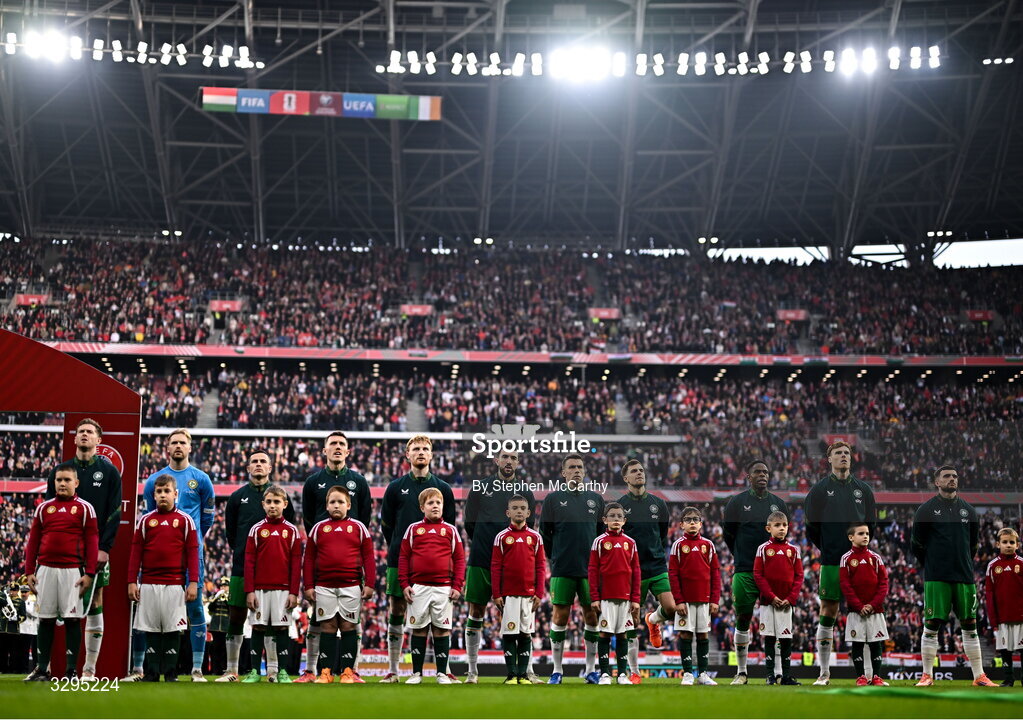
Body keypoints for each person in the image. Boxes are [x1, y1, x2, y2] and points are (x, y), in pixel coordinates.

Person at [128, 429, 214, 683]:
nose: (178, 446)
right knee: (147, 610)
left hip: (190, 555)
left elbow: (207, 517)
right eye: (174, 442)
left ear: (190, 447)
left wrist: (193, 539)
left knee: (195, 608)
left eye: (182, 442)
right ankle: (139, 668)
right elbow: (147, 516)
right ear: (167, 448)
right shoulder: (154, 480)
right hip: (157, 559)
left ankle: (197, 669)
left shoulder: (201, 479)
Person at [45, 419, 122, 682]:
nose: (85, 435)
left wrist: (105, 547)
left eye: (90, 432)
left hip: (95, 549)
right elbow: (48, 510)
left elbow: (115, 511)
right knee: (56, 605)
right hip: (63, 550)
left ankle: (89, 669)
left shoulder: (109, 471)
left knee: (95, 600)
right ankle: (48, 666)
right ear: (75, 439)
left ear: (99, 440)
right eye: (81, 432)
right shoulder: (61, 470)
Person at [911, 464, 996, 687]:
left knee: (970, 623)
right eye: (947, 476)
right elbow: (916, 544)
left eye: (955, 476)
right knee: (932, 624)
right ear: (937, 482)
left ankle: (979, 676)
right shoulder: (926, 510)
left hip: (964, 576)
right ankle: (926, 675)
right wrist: (932, 563)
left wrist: (963, 562)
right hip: (937, 576)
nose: (952, 479)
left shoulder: (969, 511)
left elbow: (974, 545)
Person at [379, 435, 456, 683]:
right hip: (399, 559)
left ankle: (443, 669)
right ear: (407, 454)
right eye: (416, 449)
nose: (421, 452)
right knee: (397, 609)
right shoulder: (394, 487)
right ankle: (393, 669)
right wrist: (404, 550)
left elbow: (449, 527)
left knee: (437, 616)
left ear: (432, 455)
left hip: (434, 567)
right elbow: (387, 526)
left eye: (425, 449)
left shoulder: (443, 489)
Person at [215, 450, 297, 682]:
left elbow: (287, 529)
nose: (259, 465)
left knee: (272, 621)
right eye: (254, 462)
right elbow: (232, 534)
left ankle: (272, 671)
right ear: (248, 468)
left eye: (263, 462)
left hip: (274, 572)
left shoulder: (281, 497)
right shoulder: (236, 497)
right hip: (244, 567)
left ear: (270, 468)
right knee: (237, 616)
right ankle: (232, 670)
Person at [296, 431, 371, 683]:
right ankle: (313, 670)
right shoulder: (313, 482)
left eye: (342, 444)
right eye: (333, 444)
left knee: (350, 623)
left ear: (348, 451)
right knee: (320, 621)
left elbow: (366, 518)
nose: (337, 448)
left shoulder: (358, 482)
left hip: (349, 569)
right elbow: (308, 518)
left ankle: (351, 670)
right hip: (323, 567)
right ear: (324, 451)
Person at [803, 441, 875, 685]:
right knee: (828, 612)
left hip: (860, 562)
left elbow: (871, 525)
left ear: (851, 458)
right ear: (829, 459)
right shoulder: (819, 490)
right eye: (838, 453)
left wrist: (859, 550)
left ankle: (868, 674)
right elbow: (811, 527)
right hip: (832, 560)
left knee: (864, 612)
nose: (843, 456)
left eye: (847, 453)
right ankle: (824, 673)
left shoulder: (863, 490)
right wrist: (829, 547)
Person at [463, 449, 538, 684]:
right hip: (482, 558)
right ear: (496, 460)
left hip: (513, 565)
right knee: (476, 611)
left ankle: (527, 671)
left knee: (521, 618)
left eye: (514, 458)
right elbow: (469, 524)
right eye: (505, 457)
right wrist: (488, 542)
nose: (509, 461)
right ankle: (472, 671)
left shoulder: (525, 491)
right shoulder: (480, 487)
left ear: (518, 462)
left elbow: (529, 526)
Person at [23, 462, 99, 682]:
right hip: (45, 570)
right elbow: (33, 541)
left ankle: (70, 671)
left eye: (67, 480)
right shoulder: (44, 508)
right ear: (54, 482)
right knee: (45, 619)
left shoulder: (85, 508)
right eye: (59, 480)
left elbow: (92, 542)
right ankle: (42, 668)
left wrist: (90, 573)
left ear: (76, 483)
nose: (63, 483)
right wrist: (29, 571)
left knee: (72, 620)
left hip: (72, 571)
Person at [126, 474, 199, 682]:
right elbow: (135, 553)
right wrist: (132, 580)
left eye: (167, 491)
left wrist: (193, 581)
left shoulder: (185, 521)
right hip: (148, 584)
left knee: (172, 629)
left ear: (175, 494)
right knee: (150, 629)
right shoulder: (145, 521)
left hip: (175, 584)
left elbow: (193, 552)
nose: (163, 495)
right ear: (154, 495)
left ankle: (170, 672)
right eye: (159, 492)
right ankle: (150, 672)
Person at [722, 459, 788, 684]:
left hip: (774, 573)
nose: (763, 475)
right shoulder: (737, 503)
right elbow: (728, 535)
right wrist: (741, 556)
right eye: (757, 472)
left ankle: (777, 672)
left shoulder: (779, 504)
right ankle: (741, 672)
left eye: (766, 472)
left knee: (777, 621)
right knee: (743, 618)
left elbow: (783, 536)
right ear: (748, 477)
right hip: (746, 569)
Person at [541, 454, 604, 684]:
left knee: (591, 616)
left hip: (590, 569)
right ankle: (557, 670)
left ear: (584, 472)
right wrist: (554, 558)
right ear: (563, 472)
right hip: (563, 568)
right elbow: (545, 534)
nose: (576, 470)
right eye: (572, 467)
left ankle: (590, 670)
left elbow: (600, 536)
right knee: (560, 616)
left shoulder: (595, 499)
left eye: (580, 467)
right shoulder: (552, 499)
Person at [303, 485, 375, 684]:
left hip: (351, 585)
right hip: (323, 586)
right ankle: (325, 672)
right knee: (327, 626)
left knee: (348, 625)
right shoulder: (318, 528)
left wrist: (369, 583)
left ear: (349, 505)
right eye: (332, 502)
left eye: (340, 502)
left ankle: (347, 672)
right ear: (326, 506)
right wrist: (308, 585)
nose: (336, 505)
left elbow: (368, 557)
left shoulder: (359, 528)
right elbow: (308, 559)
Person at [398, 488, 465, 685]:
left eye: (438, 503)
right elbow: (403, 557)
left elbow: (459, 559)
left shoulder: (451, 530)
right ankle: (416, 673)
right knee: (418, 629)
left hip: (444, 588)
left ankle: (442, 673)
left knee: (441, 630)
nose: (435, 506)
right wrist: (404, 584)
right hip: (418, 587)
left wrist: (457, 585)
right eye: (430, 503)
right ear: (422, 507)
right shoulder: (413, 529)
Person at [617, 459, 674, 684]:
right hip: (633, 570)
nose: (639, 474)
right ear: (626, 478)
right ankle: (634, 671)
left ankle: (653, 619)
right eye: (634, 471)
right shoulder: (620, 505)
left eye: (641, 470)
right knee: (631, 622)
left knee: (670, 608)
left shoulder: (658, 504)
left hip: (657, 565)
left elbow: (662, 533)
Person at [242, 484, 303, 683]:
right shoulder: (256, 530)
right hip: (259, 589)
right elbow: (249, 561)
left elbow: (296, 565)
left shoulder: (292, 531)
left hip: (284, 590)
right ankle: (254, 672)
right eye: (268, 502)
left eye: (277, 502)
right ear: (263, 504)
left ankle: (282, 671)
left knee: (281, 628)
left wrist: (294, 592)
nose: (272, 506)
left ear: (285, 504)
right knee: (257, 627)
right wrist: (249, 591)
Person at [491, 494, 545, 685]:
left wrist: (539, 593)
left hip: (529, 595)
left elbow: (540, 567)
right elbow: (496, 566)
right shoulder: (502, 537)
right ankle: (511, 675)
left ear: (529, 512)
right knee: (509, 633)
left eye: (523, 508)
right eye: (515, 508)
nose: (519, 511)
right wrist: (497, 593)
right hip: (509, 595)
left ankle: (522, 675)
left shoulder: (535, 537)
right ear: (508, 512)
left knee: (525, 633)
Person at [668, 506, 721, 686]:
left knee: (703, 635)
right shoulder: (678, 545)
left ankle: (703, 674)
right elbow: (673, 574)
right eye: (688, 520)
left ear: (701, 524)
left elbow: (715, 574)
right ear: (681, 524)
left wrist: (714, 600)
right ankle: (688, 673)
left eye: (695, 520)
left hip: (704, 600)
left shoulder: (708, 545)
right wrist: (679, 600)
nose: (692, 523)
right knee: (685, 634)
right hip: (686, 601)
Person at [588, 502, 639, 685]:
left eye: (619, 517)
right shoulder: (599, 542)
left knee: (623, 634)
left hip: (625, 598)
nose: (616, 519)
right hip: (605, 598)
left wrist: (635, 599)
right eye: (612, 516)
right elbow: (593, 570)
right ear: (605, 520)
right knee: (605, 634)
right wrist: (594, 597)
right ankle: (604, 673)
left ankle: (623, 674)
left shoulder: (630, 543)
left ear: (624, 521)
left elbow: (636, 571)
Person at [752, 511, 802, 686]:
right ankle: (770, 675)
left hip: (787, 604)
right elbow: (758, 575)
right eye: (777, 525)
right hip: (768, 603)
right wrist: (771, 597)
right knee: (770, 638)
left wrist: (791, 598)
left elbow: (799, 576)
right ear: (768, 528)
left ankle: (786, 675)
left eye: (784, 525)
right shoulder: (763, 549)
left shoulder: (794, 550)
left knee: (786, 638)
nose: (782, 528)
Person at [839, 523, 890, 687]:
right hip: (856, 611)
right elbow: (845, 585)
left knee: (876, 643)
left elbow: (884, 583)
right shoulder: (846, 559)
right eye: (861, 533)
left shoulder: (875, 558)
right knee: (857, 643)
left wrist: (873, 605)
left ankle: (876, 677)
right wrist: (860, 606)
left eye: (867, 533)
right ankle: (861, 676)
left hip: (875, 611)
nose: (865, 536)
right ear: (851, 537)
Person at [984, 528, 1023, 686]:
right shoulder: (992, 566)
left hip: (1021, 617)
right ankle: (1008, 678)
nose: (1008, 545)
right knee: (1005, 650)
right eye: (1005, 542)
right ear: (998, 544)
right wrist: (993, 619)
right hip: (1002, 618)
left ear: (1017, 545)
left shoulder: (1021, 563)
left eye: (1012, 542)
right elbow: (989, 594)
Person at [206, 577, 231, 675]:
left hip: (225, 626)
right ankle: (215, 670)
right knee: (215, 649)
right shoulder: (216, 596)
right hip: (216, 627)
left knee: (224, 649)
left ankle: (223, 669)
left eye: (225, 586)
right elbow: (210, 608)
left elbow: (230, 610)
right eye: (222, 586)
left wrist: (225, 598)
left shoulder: (230, 597)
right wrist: (216, 598)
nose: (223, 588)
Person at [18, 585, 38, 674]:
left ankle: (35, 670)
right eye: (22, 592)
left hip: (34, 630)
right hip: (23, 629)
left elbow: (36, 614)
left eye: (25, 592)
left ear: (29, 592)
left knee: (35, 652)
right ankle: (24, 670)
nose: (24, 594)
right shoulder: (18, 602)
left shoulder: (34, 602)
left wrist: (25, 611)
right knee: (23, 651)